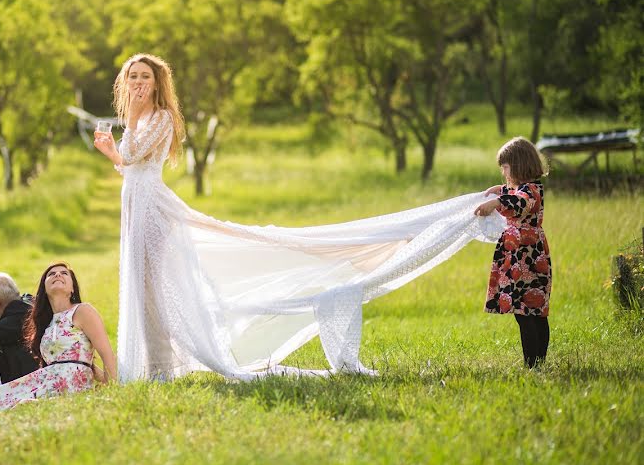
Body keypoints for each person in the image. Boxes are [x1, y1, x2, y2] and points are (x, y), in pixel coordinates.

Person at [92, 53, 508, 383]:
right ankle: (154, 367)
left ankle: (165, 367)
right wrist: (111, 149)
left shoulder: (160, 117)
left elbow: (133, 157)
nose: (138, 83)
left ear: (158, 82)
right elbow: (127, 165)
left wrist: (118, 143)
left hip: (154, 212)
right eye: (132, 77)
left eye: (145, 77)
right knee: (144, 288)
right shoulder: (139, 119)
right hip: (136, 205)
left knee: (157, 287)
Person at [0, 262, 117, 414]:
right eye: (51, 274)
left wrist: (111, 389)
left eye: (64, 273)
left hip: (71, 384)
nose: (57, 275)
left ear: (72, 289)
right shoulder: (46, 323)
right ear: (44, 289)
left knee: (21, 406)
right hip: (45, 379)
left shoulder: (82, 311)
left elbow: (106, 353)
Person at [474, 137, 552, 368]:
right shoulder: (523, 188)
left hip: (528, 258)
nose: (504, 172)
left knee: (529, 312)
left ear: (518, 165)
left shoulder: (532, 191)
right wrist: (499, 191)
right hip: (517, 256)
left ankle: (534, 364)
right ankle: (537, 362)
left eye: (505, 167)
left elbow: (521, 202)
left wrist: (498, 202)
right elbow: (515, 193)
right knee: (527, 312)